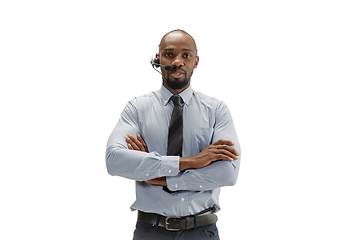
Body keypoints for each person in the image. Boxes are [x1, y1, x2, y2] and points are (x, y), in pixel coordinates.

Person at [106, 29, 241, 240]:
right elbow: (114, 160)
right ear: (158, 58)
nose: (177, 61)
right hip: (150, 231)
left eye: (185, 55)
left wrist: (157, 177)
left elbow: (228, 173)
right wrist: (192, 161)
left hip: (201, 231)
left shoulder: (217, 110)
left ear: (195, 61)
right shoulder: (137, 108)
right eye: (169, 54)